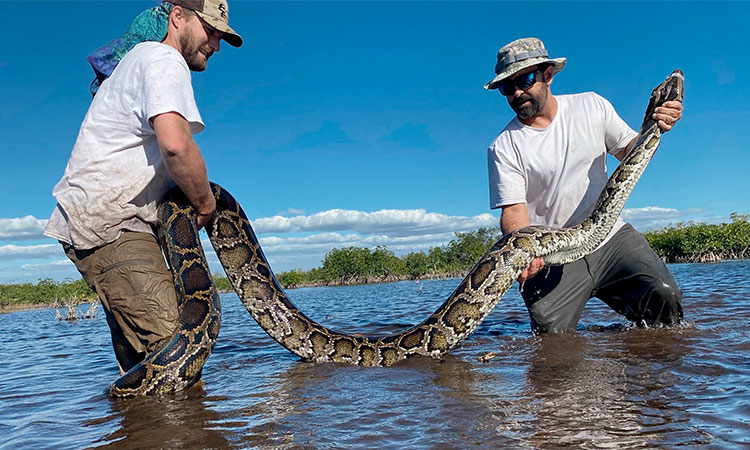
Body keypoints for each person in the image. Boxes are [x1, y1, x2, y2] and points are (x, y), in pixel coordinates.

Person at [44, 0, 243, 373]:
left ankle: (135, 431)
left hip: (104, 220)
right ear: (178, 17)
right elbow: (176, 145)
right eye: (210, 30)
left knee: (143, 365)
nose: (215, 44)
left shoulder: (138, 63)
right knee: (178, 348)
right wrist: (203, 204)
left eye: (220, 36)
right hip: (116, 225)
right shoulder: (163, 60)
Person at [484, 37, 683, 333]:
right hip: (551, 254)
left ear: (547, 75)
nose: (516, 92)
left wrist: (658, 124)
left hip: (610, 237)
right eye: (506, 87)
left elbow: (631, 152)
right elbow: (513, 212)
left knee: (665, 297)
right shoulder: (502, 147)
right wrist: (525, 251)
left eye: (524, 80)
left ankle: (653, 373)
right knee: (550, 339)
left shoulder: (591, 105)